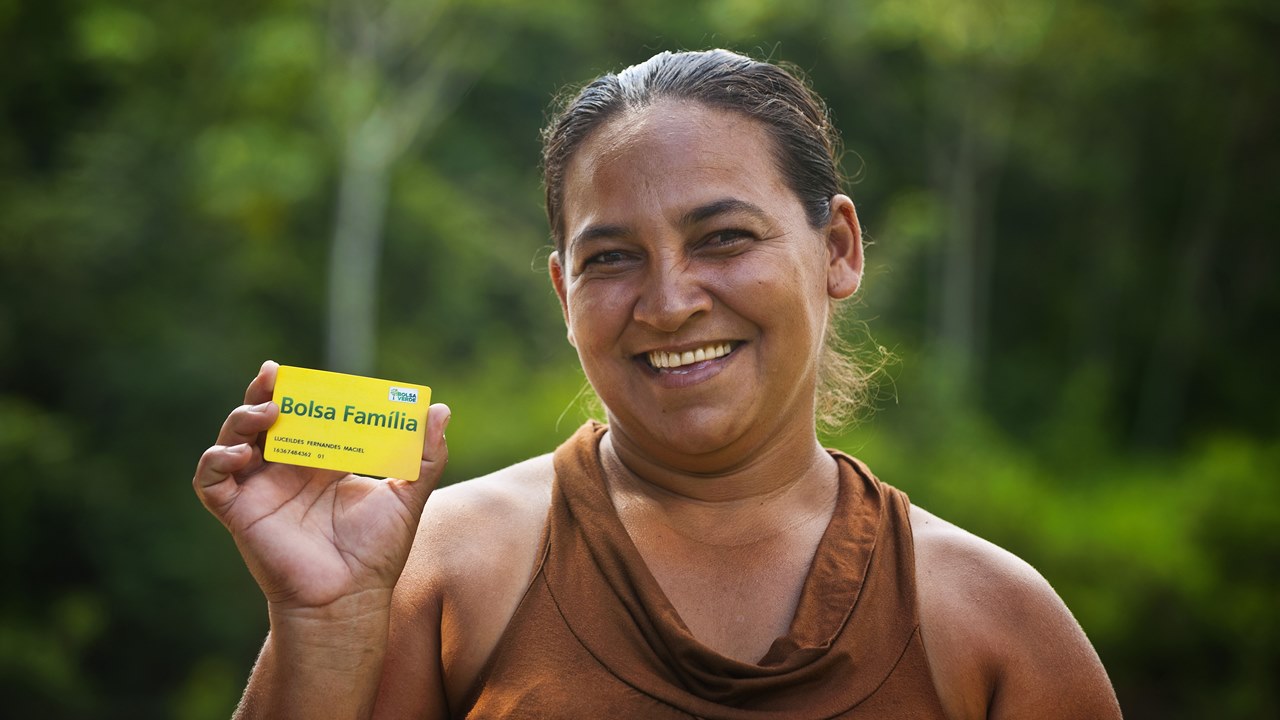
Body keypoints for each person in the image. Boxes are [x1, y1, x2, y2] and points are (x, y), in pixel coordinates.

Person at [193, 49, 1123, 719]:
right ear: (563, 291)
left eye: (723, 238)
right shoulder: (440, 573)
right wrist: (323, 625)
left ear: (837, 248)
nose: (670, 302)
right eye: (612, 259)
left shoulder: (993, 624)